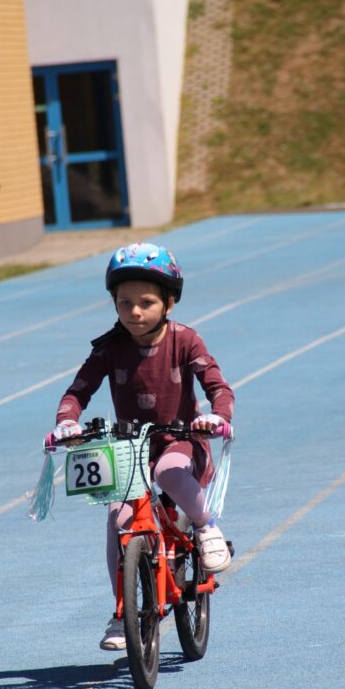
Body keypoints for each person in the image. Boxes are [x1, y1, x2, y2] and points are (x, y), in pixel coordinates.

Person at [52, 242, 235, 651]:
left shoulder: (185, 340)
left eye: (147, 302)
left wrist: (216, 417)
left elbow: (217, 386)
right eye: (124, 302)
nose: (134, 312)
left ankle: (206, 527)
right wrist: (67, 422)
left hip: (182, 442)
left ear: (169, 302)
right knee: (118, 520)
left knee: (168, 473)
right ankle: (122, 613)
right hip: (130, 448)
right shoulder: (109, 347)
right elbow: (77, 392)